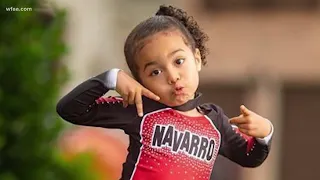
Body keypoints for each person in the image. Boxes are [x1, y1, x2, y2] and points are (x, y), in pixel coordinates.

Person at [56, 5, 273, 180]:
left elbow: (249, 158)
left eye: (179, 61)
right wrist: (110, 79)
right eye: (155, 72)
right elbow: (70, 110)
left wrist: (264, 134)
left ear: (196, 59)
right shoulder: (140, 108)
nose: (172, 76)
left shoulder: (214, 121)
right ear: (140, 82)